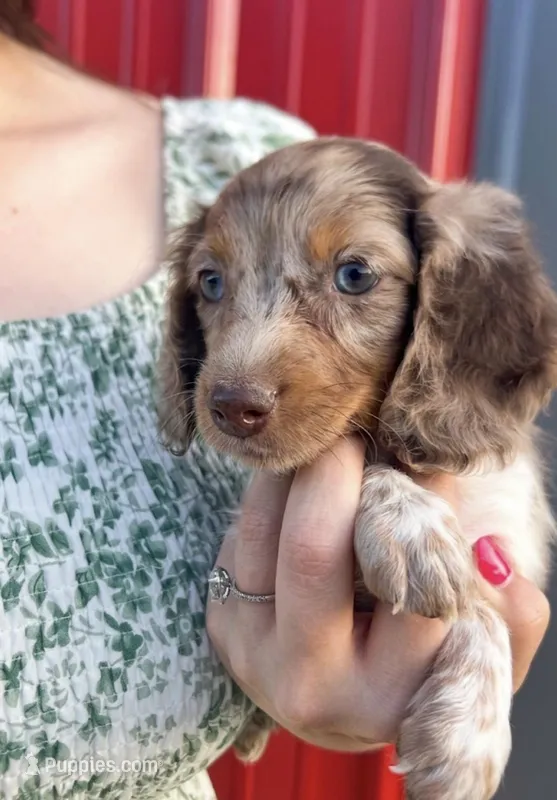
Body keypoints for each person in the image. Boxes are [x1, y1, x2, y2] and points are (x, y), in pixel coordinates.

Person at [0, 3, 549, 799]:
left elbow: (494, 514)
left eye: (352, 278)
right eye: (214, 287)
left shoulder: (240, 153)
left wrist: (410, 645)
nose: (238, 374)